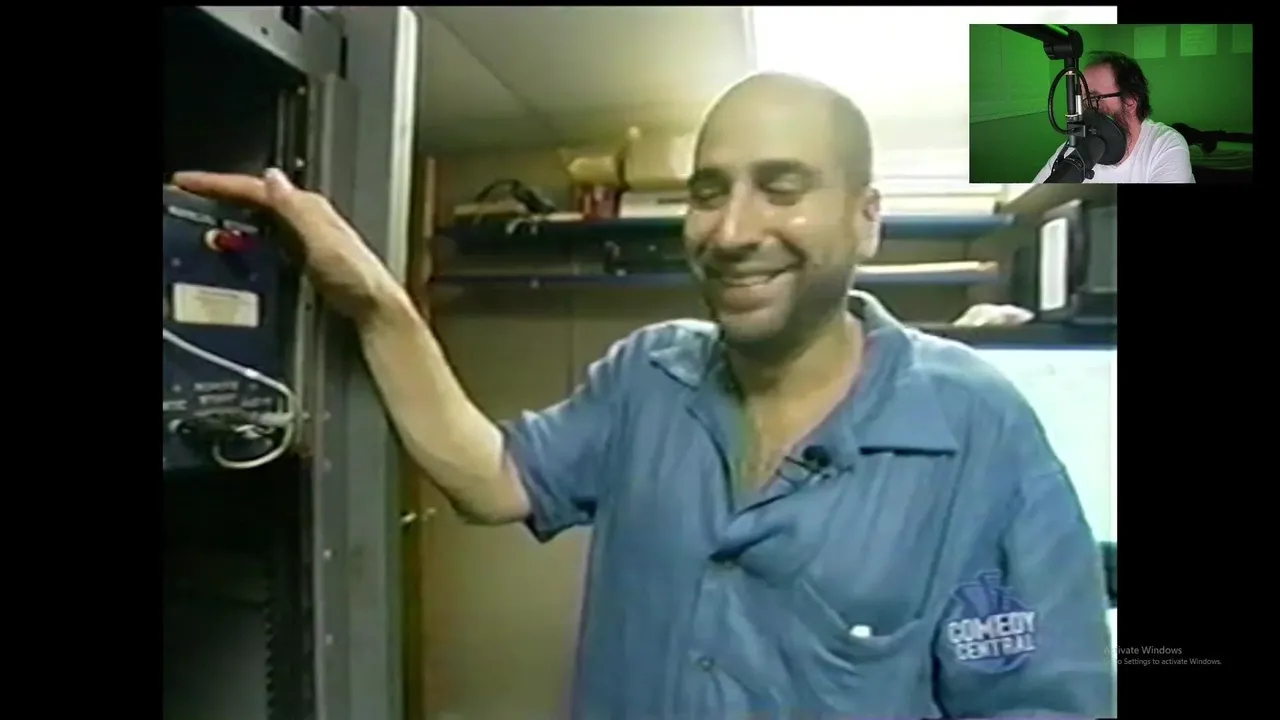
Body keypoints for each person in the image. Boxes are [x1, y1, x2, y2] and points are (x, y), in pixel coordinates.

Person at [173, 71, 1112, 718]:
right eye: (709, 192)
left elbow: (1039, 702)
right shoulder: (647, 377)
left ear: (865, 219)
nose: (733, 230)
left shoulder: (979, 431)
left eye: (781, 188)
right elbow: (492, 478)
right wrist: (373, 299)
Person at [1033, 51, 1194, 183]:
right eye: (1082, 99)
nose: (1085, 109)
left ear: (1130, 101)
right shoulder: (1075, 146)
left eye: (1094, 98)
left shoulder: (1166, 145)